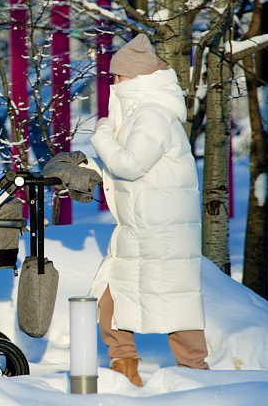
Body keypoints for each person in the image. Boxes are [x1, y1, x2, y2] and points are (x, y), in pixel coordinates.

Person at [84, 34, 210, 387]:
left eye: (117, 77)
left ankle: (196, 378)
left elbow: (130, 164)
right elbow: (126, 166)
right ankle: (124, 367)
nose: (112, 83)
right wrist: (89, 166)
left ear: (133, 79)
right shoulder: (142, 113)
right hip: (142, 229)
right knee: (110, 298)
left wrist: (102, 133)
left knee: (175, 305)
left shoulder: (153, 115)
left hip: (161, 233)